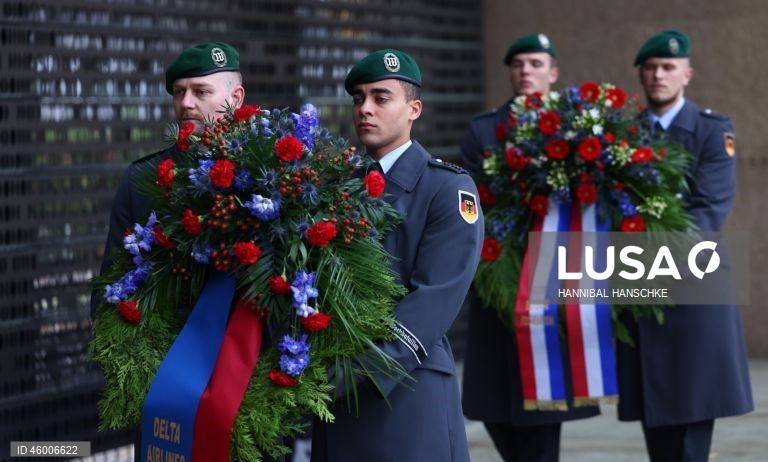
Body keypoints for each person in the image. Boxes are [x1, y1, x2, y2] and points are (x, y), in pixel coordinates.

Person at [310, 49, 483, 462]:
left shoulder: (446, 188)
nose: (365, 109)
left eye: (381, 97)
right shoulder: (335, 186)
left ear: (413, 109)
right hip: (334, 397)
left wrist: (351, 372)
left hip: (405, 393)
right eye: (358, 99)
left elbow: (434, 299)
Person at [91, 41, 246, 461]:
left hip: (245, 393)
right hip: (165, 388)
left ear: (236, 98)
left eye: (201, 91)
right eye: (179, 92)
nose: (186, 103)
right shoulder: (142, 180)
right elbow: (110, 288)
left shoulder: (272, 177)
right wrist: (137, 372)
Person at [460, 33, 599, 462]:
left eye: (536, 64)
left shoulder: (577, 129)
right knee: (492, 403)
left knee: (544, 408)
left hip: (553, 280)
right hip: (499, 275)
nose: (526, 71)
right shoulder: (485, 129)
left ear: (553, 73)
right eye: (518, 64)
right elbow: (472, 200)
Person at [616, 30, 753, 462]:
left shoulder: (713, 130)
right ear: (641, 75)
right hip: (640, 287)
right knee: (655, 421)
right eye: (651, 68)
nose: (658, 75)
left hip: (693, 286)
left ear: (686, 75)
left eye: (668, 67)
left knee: (692, 427)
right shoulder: (623, 134)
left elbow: (708, 212)